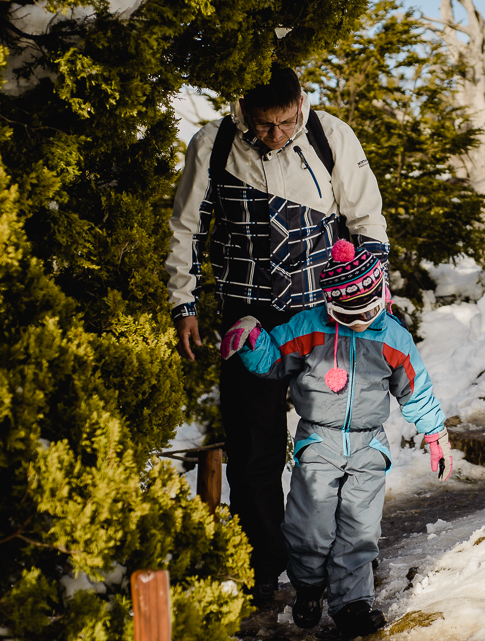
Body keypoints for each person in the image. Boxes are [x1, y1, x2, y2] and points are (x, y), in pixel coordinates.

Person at [165, 66, 390, 602]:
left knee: (337, 441)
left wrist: (371, 297)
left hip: (323, 314)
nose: (278, 135)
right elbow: (187, 228)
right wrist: (184, 303)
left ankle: (343, 565)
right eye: (265, 125)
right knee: (252, 445)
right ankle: (260, 566)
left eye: (287, 122)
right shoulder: (212, 145)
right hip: (246, 315)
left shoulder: (330, 136)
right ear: (244, 111)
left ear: (301, 103)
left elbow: (367, 221)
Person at [219, 240, 452, 640]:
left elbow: (415, 389)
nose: (360, 321)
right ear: (331, 305)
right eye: (349, 315)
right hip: (319, 442)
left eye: (367, 313)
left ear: (380, 295)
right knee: (310, 524)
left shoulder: (393, 337)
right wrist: (254, 340)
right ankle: (309, 587)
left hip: (368, 444)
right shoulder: (309, 327)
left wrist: (434, 433)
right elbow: (275, 360)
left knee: (360, 527)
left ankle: (352, 604)